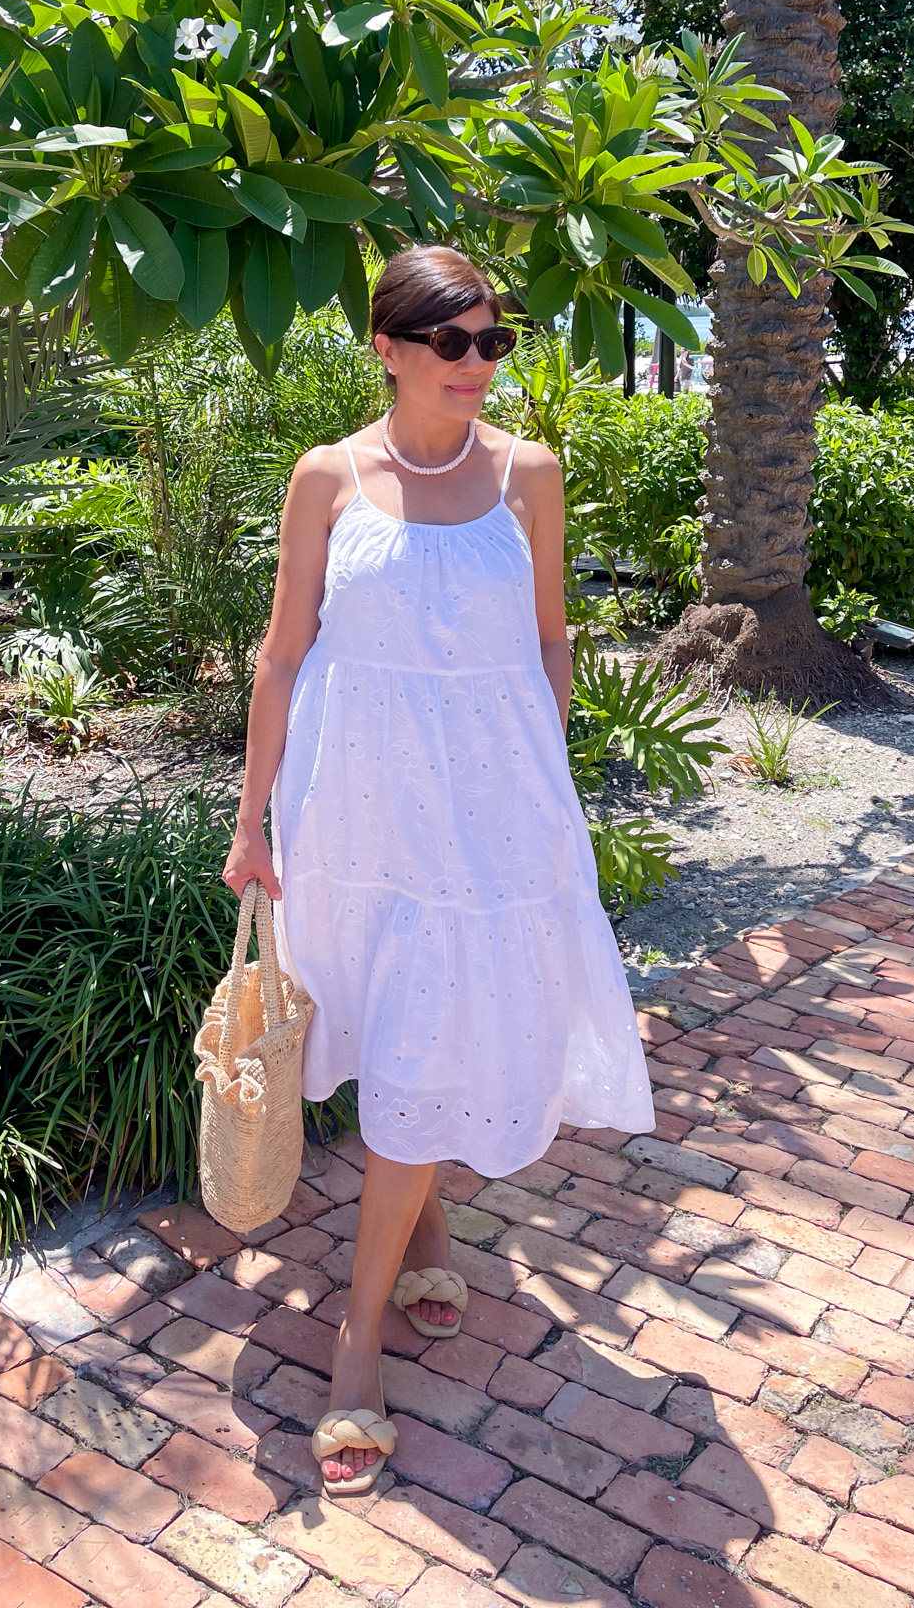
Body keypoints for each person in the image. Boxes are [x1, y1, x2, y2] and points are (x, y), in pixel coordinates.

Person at [222, 245, 655, 1498]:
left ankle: (355, 1337)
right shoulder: (328, 478)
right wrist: (253, 819)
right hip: (355, 811)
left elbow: (550, 638)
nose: (478, 364)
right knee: (384, 1026)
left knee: (427, 1036)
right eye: (452, 341)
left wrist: (553, 791)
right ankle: (423, 1230)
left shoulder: (529, 473)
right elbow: (281, 658)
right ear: (389, 348)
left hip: (492, 817)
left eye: (493, 341)